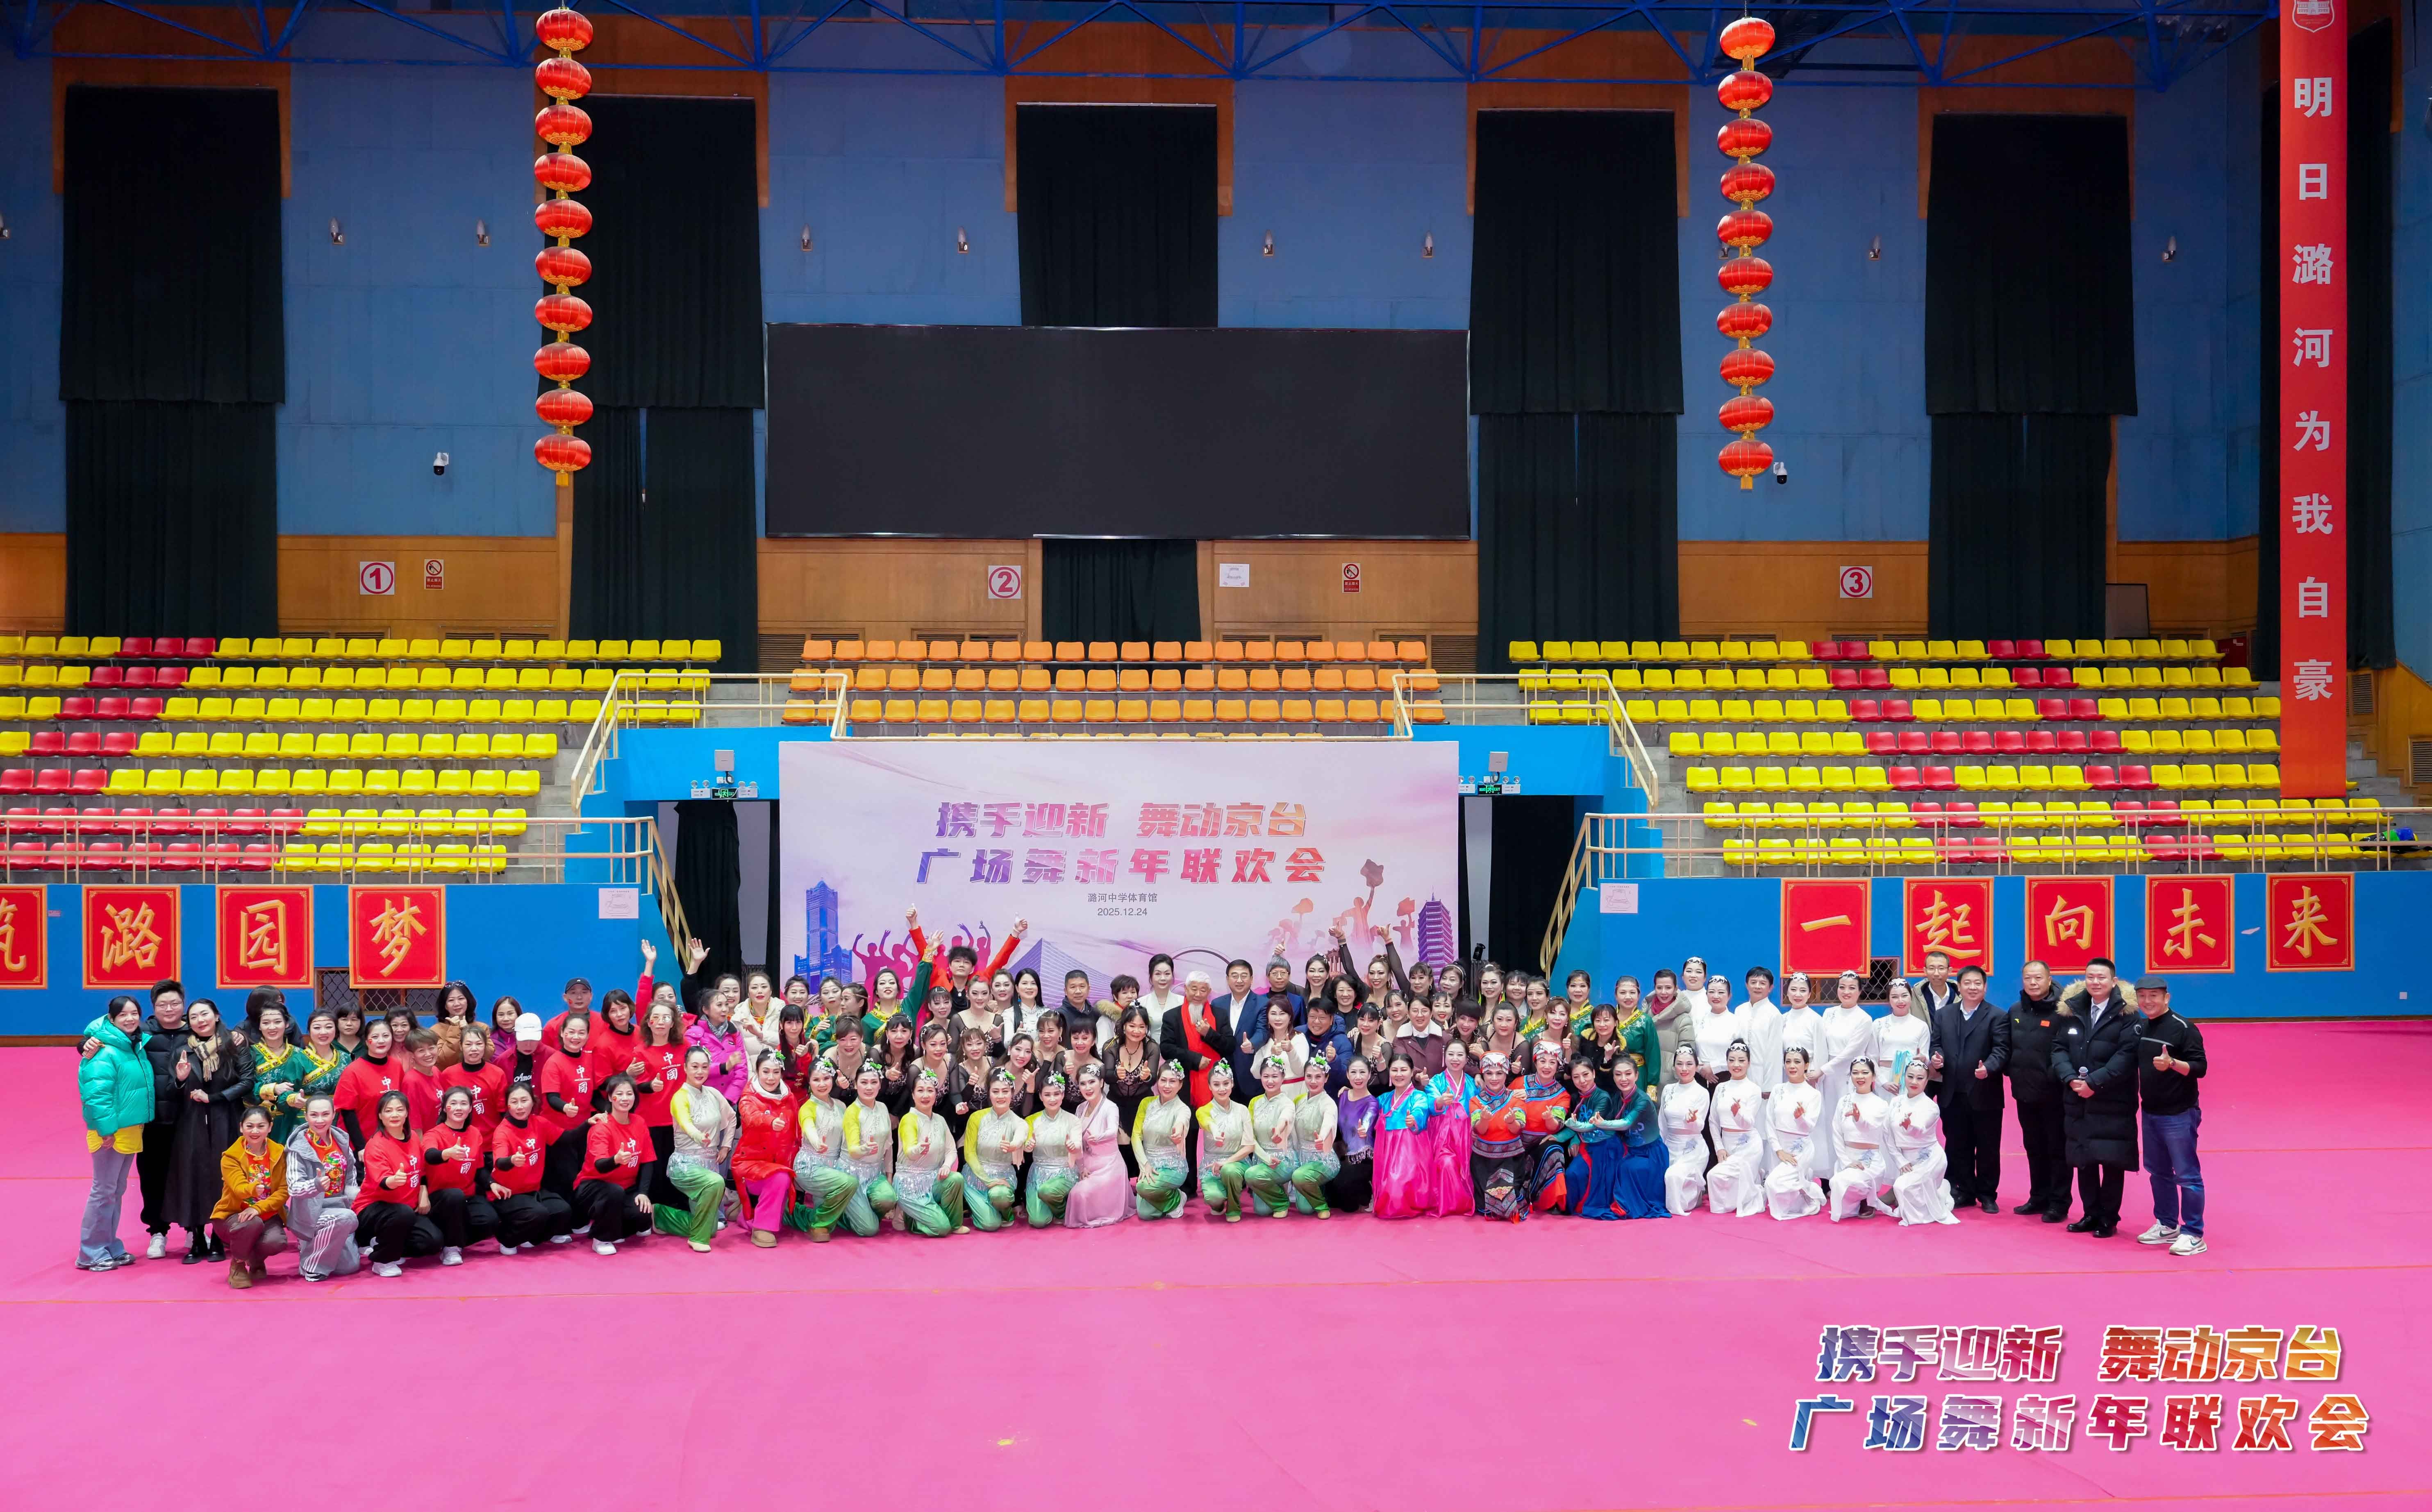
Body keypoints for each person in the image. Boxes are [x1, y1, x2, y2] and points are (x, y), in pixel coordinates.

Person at [2051, 958, 2137, 1238]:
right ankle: (2090, 1213)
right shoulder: (2072, 1010)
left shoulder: (2128, 1014)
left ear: (2114, 981)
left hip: (2112, 1099)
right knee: (2083, 1158)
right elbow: (2058, 1049)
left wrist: (2094, 1083)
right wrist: (2070, 1078)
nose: (2095, 982)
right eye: (2091, 977)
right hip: (2078, 1097)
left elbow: (2126, 1057)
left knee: (2112, 1160)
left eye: (2102, 978)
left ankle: (2108, 1217)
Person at [164, 998, 249, 1264]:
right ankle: (197, 1237)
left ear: (217, 1016)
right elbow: (170, 1091)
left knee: (222, 1177)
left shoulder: (234, 1044)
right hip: (192, 1122)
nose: (200, 1021)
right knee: (194, 1177)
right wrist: (180, 1080)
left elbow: (248, 1081)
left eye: (205, 1014)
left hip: (226, 1118)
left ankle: (219, 1237)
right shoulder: (183, 1050)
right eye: (194, 1017)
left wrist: (215, 1098)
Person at [2130, 977, 2208, 1257]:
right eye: (2142, 996)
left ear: (2167, 998)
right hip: (2150, 1112)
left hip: (2179, 1114)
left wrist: (2172, 1063)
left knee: (2187, 1175)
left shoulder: (2184, 1028)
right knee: (2158, 1172)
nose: (2148, 1001)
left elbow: (2200, 1068)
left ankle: (2194, 1233)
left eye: (2154, 995)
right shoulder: (2141, 1027)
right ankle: (2167, 1225)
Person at [76, 995, 153, 1271]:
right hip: (110, 1133)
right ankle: (90, 1252)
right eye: (123, 1015)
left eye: (134, 1013)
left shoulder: (134, 1045)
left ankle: (109, 1245)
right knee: (103, 1191)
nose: (130, 1019)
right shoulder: (103, 1050)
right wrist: (106, 1130)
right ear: (111, 1019)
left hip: (130, 1129)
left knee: (116, 1191)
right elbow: (96, 1094)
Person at [1928, 965, 2012, 1214]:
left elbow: (2002, 1050)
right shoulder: (1944, 1015)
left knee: (1988, 1147)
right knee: (1957, 1144)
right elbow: (1936, 1044)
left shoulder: (1997, 1016)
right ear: (1959, 986)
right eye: (1968, 983)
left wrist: (1989, 1067)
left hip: (1985, 1091)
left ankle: (1987, 1194)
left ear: (1985, 987)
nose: (1973, 988)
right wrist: (1937, 1058)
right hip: (1952, 1092)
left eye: (1978, 983)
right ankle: (1963, 1191)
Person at [2004, 960, 2072, 1222]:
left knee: (2057, 1149)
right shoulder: (2015, 1010)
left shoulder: (2063, 1010)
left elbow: (2068, 1049)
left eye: (2038, 978)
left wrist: (2054, 1077)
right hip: (2024, 1092)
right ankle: (2038, 1197)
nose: (2033, 983)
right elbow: (2008, 1047)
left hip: (2054, 1094)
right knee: (2033, 1147)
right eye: (2028, 978)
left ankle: (2059, 1202)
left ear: (2049, 979)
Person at [1559, 1058, 1668, 1219]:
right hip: (1627, 1149)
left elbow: (1626, 1123)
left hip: (1650, 1153)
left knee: (1626, 1168)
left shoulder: (1643, 1100)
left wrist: (1601, 1124)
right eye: (1618, 1075)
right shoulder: (1617, 1098)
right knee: (1581, 1171)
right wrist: (1573, 1136)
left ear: (1637, 1075)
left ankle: (1623, 1205)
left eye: (1628, 1074)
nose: (1623, 1079)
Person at [654, 1047, 734, 1251]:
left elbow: (732, 1117)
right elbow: (686, 1123)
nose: (700, 1072)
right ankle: (698, 1239)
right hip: (685, 1165)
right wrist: (699, 1136)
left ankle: (661, 1215)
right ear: (685, 1068)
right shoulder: (680, 1097)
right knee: (716, 1182)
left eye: (705, 1067)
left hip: (710, 1164)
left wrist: (726, 1146)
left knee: (712, 1229)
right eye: (695, 1067)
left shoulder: (714, 1094)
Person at [356, 1091, 443, 1277]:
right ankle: (382, 1260)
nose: (394, 1115)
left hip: (406, 1210)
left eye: (399, 1110)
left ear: (407, 1113)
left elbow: (423, 1171)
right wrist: (394, 1181)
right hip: (373, 1208)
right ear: (380, 1116)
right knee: (402, 1213)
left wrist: (423, 1193)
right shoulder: (375, 1145)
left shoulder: (413, 1138)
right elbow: (383, 1182)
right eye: (388, 1111)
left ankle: (384, 1242)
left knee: (433, 1242)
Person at [133, 979, 189, 1261]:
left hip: (189, 1117)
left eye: (175, 1003)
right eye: (163, 1004)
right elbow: (104, 1036)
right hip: (151, 1120)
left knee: (191, 1174)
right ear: (154, 1007)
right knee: (152, 1177)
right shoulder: (140, 1034)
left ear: (184, 1004)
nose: (169, 1009)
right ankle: (158, 1231)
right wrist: (86, 1043)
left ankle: (195, 1227)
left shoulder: (197, 1031)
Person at [285, 1094, 364, 1280]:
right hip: (312, 1212)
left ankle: (316, 1245)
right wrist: (316, 1185)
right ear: (306, 1116)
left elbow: (351, 1177)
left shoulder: (341, 1140)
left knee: (350, 1267)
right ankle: (311, 1267)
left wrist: (357, 1197)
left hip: (340, 1208)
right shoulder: (298, 1147)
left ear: (334, 1114)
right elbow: (294, 1188)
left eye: (325, 1114)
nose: (320, 1120)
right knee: (346, 1218)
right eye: (314, 1115)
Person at [575, 1075, 657, 1254]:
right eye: (619, 1094)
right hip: (593, 1187)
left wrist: (643, 1193)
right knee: (614, 1192)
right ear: (611, 1098)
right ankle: (601, 1239)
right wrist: (616, 1160)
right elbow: (600, 1166)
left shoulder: (639, 1122)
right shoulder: (602, 1126)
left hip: (626, 1187)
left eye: (629, 1094)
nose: (625, 1098)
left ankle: (615, 1229)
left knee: (643, 1216)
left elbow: (648, 1161)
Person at [488, 1083, 573, 1251]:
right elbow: (500, 1163)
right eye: (514, 1102)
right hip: (508, 1194)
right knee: (538, 1214)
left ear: (533, 1102)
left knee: (563, 1211)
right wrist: (512, 1160)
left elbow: (567, 1138)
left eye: (524, 1101)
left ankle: (533, 1238)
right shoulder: (503, 1131)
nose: (520, 1107)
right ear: (508, 1105)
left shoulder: (539, 1122)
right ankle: (508, 1239)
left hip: (533, 1190)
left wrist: (590, 1125)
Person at [211, 1105, 289, 1288]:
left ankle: (255, 1258)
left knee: (277, 1242)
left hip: (266, 1214)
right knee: (251, 1223)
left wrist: (258, 1208)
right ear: (241, 1127)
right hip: (234, 1216)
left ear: (270, 1127)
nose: (255, 1131)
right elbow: (239, 1188)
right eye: (250, 1126)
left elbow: (284, 1191)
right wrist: (254, 1190)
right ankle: (238, 1264)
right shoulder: (230, 1157)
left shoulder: (279, 1153)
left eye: (261, 1126)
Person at [420, 1086, 498, 1264]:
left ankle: (451, 1238)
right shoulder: (434, 1134)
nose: (458, 1108)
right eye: (453, 1104)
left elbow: (479, 1169)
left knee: (490, 1221)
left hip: (467, 1196)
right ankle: (451, 1248)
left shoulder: (475, 1133)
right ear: (445, 1108)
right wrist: (446, 1154)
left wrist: (492, 1183)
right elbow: (430, 1156)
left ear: (470, 1109)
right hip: (441, 1199)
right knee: (455, 1195)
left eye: (464, 1104)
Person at [733, 1051, 802, 1248]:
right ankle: (761, 1228)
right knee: (780, 1178)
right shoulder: (748, 1098)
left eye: (776, 1072)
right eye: (766, 1072)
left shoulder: (789, 1097)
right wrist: (769, 1121)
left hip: (781, 1163)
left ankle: (745, 1213)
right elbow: (750, 1117)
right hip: (751, 1165)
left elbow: (797, 1131)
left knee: (783, 1189)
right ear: (757, 1072)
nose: (771, 1077)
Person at [1814, 972, 1876, 1178]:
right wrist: (1820, 1071)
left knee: (1847, 1125)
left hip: (1849, 1077)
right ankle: (1828, 1176)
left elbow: (1851, 1052)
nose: (1846, 992)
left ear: (1860, 991)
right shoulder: (1829, 1013)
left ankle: (1851, 1174)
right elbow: (1822, 1045)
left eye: (1852, 988)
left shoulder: (1864, 1019)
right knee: (1827, 1123)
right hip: (1827, 1078)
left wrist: (1823, 1069)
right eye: (1842, 987)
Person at [1884, 1059, 1960, 1225]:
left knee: (1902, 1187)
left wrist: (1909, 1126)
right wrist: (1900, 1160)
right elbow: (1887, 1134)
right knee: (1909, 1192)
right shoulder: (1896, 1102)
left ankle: (1939, 1194)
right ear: (1904, 1077)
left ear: (1927, 1081)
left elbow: (1921, 1129)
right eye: (1910, 1077)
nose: (1914, 1082)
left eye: (1920, 1078)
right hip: (1907, 1161)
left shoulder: (1931, 1107)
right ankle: (1939, 1191)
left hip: (1930, 1160)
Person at [786, 1058, 854, 1243]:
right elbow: (808, 1127)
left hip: (834, 1165)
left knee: (832, 1207)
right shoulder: (808, 1107)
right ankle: (818, 1225)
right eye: (816, 1080)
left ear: (833, 1079)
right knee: (849, 1183)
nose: (822, 1084)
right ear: (809, 1082)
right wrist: (817, 1143)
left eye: (826, 1079)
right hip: (810, 1165)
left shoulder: (841, 1106)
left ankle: (789, 1212)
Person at [959, 1069, 1030, 1232]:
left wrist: (1013, 1146)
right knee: (990, 1225)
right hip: (975, 1177)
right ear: (989, 1093)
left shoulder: (1019, 1122)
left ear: (1012, 1093)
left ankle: (1005, 1212)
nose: (1000, 1096)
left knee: (1000, 1196)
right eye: (996, 1092)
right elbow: (969, 1153)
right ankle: (983, 1209)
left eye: (1005, 1092)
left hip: (1002, 1178)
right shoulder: (976, 1117)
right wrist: (987, 1181)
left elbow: (1021, 1136)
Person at [1703, 1042, 1768, 1218]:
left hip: (1749, 1146)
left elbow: (1748, 1123)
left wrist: (1738, 1113)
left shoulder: (1754, 1089)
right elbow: (1713, 1121)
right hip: (1727, 1144)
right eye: (1732, 1060)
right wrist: (1719, 1148)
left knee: (1715, 1176)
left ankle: (1756, 1190)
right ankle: (1755, 1183)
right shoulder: (1721, 1088)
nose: (1736, 1065)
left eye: (1741, 1060)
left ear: (1749, 1063)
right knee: (1726, 1184)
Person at [1061, 1062, 1129, 1228]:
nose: (1088, 1088)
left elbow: (1112, 1132)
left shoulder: (1110, 1107)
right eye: (1083, 1084)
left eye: (1092, 1082)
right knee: (1071, 1191)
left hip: (1109, 1166)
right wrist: (1081, 1167)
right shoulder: (1081, 1108)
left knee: (1080, 1194)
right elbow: (1076, 1139)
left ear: (1102, 1083)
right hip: (1086, 1165)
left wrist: (1099, 1137)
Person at [1825, 1058, 1893, 1222]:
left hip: (1870, 1162)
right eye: (1855, 1073)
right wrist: (1846, 1161)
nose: (1860, 1077)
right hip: (1847, 1159)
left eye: (1865, 1073)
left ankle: (1868, 1198)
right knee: (1839, 1185)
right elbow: (1836, 1133)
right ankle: (1860, 1198)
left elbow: (1869, 1127)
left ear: (1874, 1076)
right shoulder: (1844, 1101)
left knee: (1844, 1182)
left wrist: (1859, 1119)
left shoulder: (1881, 1104)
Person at [1466, 1052, 1530, 1221]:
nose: (1494, 1078)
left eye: (1499, 1073)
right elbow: (1480, 1130)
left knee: (1506, 1202)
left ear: (1506, 1074)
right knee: (1486, 1207)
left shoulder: (1516, 1098)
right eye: (1489, 1073)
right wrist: (1484, 1120)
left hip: (1511, 1159)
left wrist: (1511, 1123)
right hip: (1483, 1160)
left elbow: (1518, 1130)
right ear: (1483, 1075)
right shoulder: (1476, 1101)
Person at [1369, 1053, 1434, 1219]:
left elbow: (1421, 1111)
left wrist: (1414, 1120)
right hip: (1386, 1153)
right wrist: (1350, 1091)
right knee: (1388, 1194)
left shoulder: (1419, 1096)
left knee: (1396, 1191)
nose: (1399, 1074)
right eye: (1395, 1070)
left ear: (1412, 1072)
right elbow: (1367, 1105)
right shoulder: (1384, 1099)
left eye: (1404, 1070)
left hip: (1410, 1153)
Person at [1158, 970, 1236, 1109]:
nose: (1198, 994)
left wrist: (1209, 1034)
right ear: (1186, 989)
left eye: (1203, 990)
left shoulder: (1220, 1015)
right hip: (1184, 1084)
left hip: (1218, 1084)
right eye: (1194, 989)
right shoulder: (1172, 1016)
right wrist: (1195, 1059)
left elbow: (1230, 1046)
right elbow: (1166, 1049)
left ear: (1209, 992)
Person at [1764, 1047, 1825, 1220]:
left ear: (1806, 1065)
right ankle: (1802, 1187)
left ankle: (1809, 1192)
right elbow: (1769, 1122)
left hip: (1800, 1150)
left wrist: (1801, 1118)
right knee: (1776, 1191)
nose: (1792, 1066)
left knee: (1773, 1184)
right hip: (1778, 1148)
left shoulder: (1813, 1094)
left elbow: (1809, 1127)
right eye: (1788, 1062)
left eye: (1797, 1062)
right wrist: (1778, 1150)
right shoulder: (1778, 1090)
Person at [840, 1063, 900, 1236]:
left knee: (889, 1198)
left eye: (874, 1082)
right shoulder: (852, 1112)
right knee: (869, 1230)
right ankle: (843, 1215)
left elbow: (888, 1146)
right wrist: (864, 1149)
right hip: (852, 1175)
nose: (869, 1087)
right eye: (864, 1082)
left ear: (880, 1085)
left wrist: (889, 1178)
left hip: (875, 1173)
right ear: (855, 1085)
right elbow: (853, 1151)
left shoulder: (883, 1108)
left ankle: (864, 1212)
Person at [1102, 1006, 1162, 1176]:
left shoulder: (1152, 1047)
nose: (1137, 1031)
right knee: (1122, 1146)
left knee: (1142, 1145)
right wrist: (1116, 1075)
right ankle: (1123, 1182)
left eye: (1142, 1027)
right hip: (1117, 1104)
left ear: (1147, 1028)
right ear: (1124, 1026)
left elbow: (1153, 1079)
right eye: (1132, 1026)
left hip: (1142, 1104)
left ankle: (1143, 1181)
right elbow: (1106, 1077)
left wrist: (1147, 1077)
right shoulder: (1111, 1046)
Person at [1130, 1061, 1193, 1219]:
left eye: (1173, 1081)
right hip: (1149, 1166)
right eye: (1163, 1080)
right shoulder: (1146, 1103)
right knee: (1145, 1214)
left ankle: (1177, 1198)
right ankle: (1171, 1198)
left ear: (1180, 1085)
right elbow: (1136, 1136)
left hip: (1172, 1167)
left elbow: (1182, 1120)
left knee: (1142, 1187)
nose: (1167, 1086)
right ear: (1157, 1081)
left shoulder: (1182, 1109)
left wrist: (1179, 1130)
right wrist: (1144, 1164)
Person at [332, 1018, 405, 1152]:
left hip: (390, 1141)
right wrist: (361, 1147)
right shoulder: (353, 1071)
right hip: (360, 1144)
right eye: (375, 1037)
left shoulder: (397, 1066)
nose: (381, 1041)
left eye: (386, 1036)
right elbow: (348, 1112)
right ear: (366, 1041)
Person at [1193, 1063, 1255, 1222]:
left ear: (1232, 1084)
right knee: (1214, 1199)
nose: (1222, 1089)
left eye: (1226, 1083)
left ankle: (1234, 1208)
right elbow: (1206, 1121)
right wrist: (1214, 1129)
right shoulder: (1203, 1111)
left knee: (1230, 1170)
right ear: (1210, 1087)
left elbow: (1250, 1146)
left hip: (1237, 1162)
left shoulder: (1242, 1110)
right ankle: (1220, 1202)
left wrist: (1227, 1162)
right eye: (1216, 1085)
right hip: (1212, 1165)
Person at [1423, 1039, 1477, 1217]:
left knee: (1467, 1167)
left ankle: (1464, 1202)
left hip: (1466, 1136)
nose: (1455, 1059)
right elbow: (1431, 1104)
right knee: (1447, 1164)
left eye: (1460, 1055)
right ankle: (1448, 1204)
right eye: (1451, 1054)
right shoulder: (1436, 1082)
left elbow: (1478, 1109)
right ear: (1444, 1057)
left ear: (1466, 1059)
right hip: (1443, 1135)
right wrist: (1440, 1101)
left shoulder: (1473, 1083)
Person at [1656, 1044, 1711, 1216]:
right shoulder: (1668, 1090)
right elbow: (1662, 1123)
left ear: (1697, 1066)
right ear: (1674, 1067)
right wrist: (1660, 1149)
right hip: (1670, 1147)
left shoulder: (1702, 1092)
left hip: (1692, 1149)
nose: (1684, 1069)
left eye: (1689, 1064)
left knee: (1673, 1177)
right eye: (1680, 1064)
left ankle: (1694, 1193)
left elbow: (1700, 1127)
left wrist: (1693, 1121)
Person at [1284, 1058, 1342, 1217]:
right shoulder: (1300, 1101)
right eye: (1309, 1076)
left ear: (1326, 1078)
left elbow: (1329, 1122)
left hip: (1323, 1159)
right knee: (1304, 1209)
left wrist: (1322, 1138)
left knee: (1299, 1177)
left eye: (1318, 1077)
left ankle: (1322, 1206)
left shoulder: (1328, 1103)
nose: (1313, 1081)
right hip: (1302, 1158)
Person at [1243, 1060, 1300, 1218]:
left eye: (1275, 1076)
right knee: (1261, 1211)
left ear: (1283, 1078)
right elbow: (1250, 1137)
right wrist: (1265, 1158)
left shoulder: (1287, 1103)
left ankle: (1281, 1202)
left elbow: (1286, 1118)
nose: (1270, 1081)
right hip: (1262, 1159)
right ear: (1260, 1077)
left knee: (1251, 1175)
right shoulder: (1255, 1103)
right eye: (1266, 1076)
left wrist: (1279, 1129)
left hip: (1282, 1160)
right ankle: (1279, 1191)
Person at [1024, 1071, 1081, 1227]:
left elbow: (1078, 1145)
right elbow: (1026, 1147)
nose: (1052, 1099)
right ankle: (1052, 1205)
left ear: (1063, 1095)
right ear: (1041, 1096)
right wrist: (1028, 1146)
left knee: (1048, 1192)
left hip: (1064, 1173)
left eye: (1057, 1094)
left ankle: (1062, 1211)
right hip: (1039, 1174)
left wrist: (1073, 1146)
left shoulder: (1073, 1120)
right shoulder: (1031, 1120)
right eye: (1047, 1095)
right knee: (1038, 1221)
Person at [1324, 1053, 1378, 1215]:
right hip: (1344, 1154)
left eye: (1362, 1072)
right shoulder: (1343, 1096)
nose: (1358, 1077)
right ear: (1347, 1075)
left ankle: (1369, 1191)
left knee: (1348, 1204)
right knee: (1330, 1199)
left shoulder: (1372, 1103)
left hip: (1364, 1158)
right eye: (1353, 1072)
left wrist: (1364, 1129)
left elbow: (1369, 1119)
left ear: (1370, 1074)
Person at [1867, 980, 1930, 1099]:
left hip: (1910, 1079)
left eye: (1904, 996)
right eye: (1895, 997)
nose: (1900, 1001)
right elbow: (1872, 1057)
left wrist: (1924, 1059)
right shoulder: (1879, 1024)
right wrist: (1883, 1082)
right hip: (1885, 1078)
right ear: (1889, 1000)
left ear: (1911, 997)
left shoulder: (1921, 1026)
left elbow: (1925, 1058)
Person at [1690, 975, 1741, 1090]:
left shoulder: (1736, 1022)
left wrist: (1714, 1068)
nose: (1716, 996)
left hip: (1726, 1078)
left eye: (1721, 992)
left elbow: (1741, 1055)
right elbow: (1692, 1049)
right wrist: (1700, 1069)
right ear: (1706, 994)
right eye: (1712, 992)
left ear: (1729, 996)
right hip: (1699, 1078)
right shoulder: (1699, 1020)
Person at [1647, 968, 1696, 1078]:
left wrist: (1675, 1074)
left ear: (1676, 989)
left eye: (1668, 988)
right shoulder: (1646, 1014)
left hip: (1671, 1080)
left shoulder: (1684, 1020)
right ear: (1655, 989)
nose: (1664, 992)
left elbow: (1687, 1055)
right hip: (1647, 1078)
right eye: (1660, 988)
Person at [432, 980, 479, 1069]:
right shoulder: (435, 1031)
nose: (457, 1004)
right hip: (447, 1076)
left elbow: (487, 1055)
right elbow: (443, 1059)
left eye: (461, 999)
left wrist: (469, 1031)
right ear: (445, 1006)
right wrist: (455, 1030)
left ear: (468, 1001)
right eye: (451, 1000)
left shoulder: (482, 1028)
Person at [1915, 950, 1959, 1017]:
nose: (1936, 974)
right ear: (1925, 971)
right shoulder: (1914, 995)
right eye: (1931, 968)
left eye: (1941, 968)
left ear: (1949, 971)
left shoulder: (1961, 995)